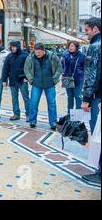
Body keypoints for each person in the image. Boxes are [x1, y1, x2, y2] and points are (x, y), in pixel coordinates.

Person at [81, 17, 101, 185]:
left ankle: (100, 172)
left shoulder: (94, 47)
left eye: (87, 30)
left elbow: (92, 75)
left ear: (95, 29)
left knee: (98, 134)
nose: (85, 33)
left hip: (98, 98)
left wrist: (86, 98)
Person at [24, 43, 63, 130]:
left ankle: (53, 122)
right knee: (33, 103)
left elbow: (59, 68)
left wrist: (54, 79)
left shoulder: (52, 56)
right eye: (36, 52)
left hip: (50, 84)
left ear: (43, 50)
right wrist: (31, 79)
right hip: (36, 84)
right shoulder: (31, 57)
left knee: (51, 104)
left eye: (39, 53)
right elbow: (26, 69)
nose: (37, 54)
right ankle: (32, 121)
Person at [2, 41, 30, 121]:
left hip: (22, 80)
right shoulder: (9, 56)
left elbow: (29, 67)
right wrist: (4, 80)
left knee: (26, 98)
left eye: (14, 47)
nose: (13, 48)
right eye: (12, 47)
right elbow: (5, 68)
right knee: (14, 98)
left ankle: (28, 114)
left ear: (18, 47)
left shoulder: (25, 55)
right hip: (12, 80)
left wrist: (27, 77)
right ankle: (16, 114)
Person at [61, 41, 86, 114]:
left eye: (72, 46)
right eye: (69, 46)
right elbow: (62, 65)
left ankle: (78, 116)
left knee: (77, 97)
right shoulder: (65, 55)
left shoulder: (82, 56)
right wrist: (63, 73)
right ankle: (70, 115)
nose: (70, 47)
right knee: (70, 97)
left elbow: (85, 67)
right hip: (68, 79)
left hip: (78, 79)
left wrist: (81, 74)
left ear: (76, 47)